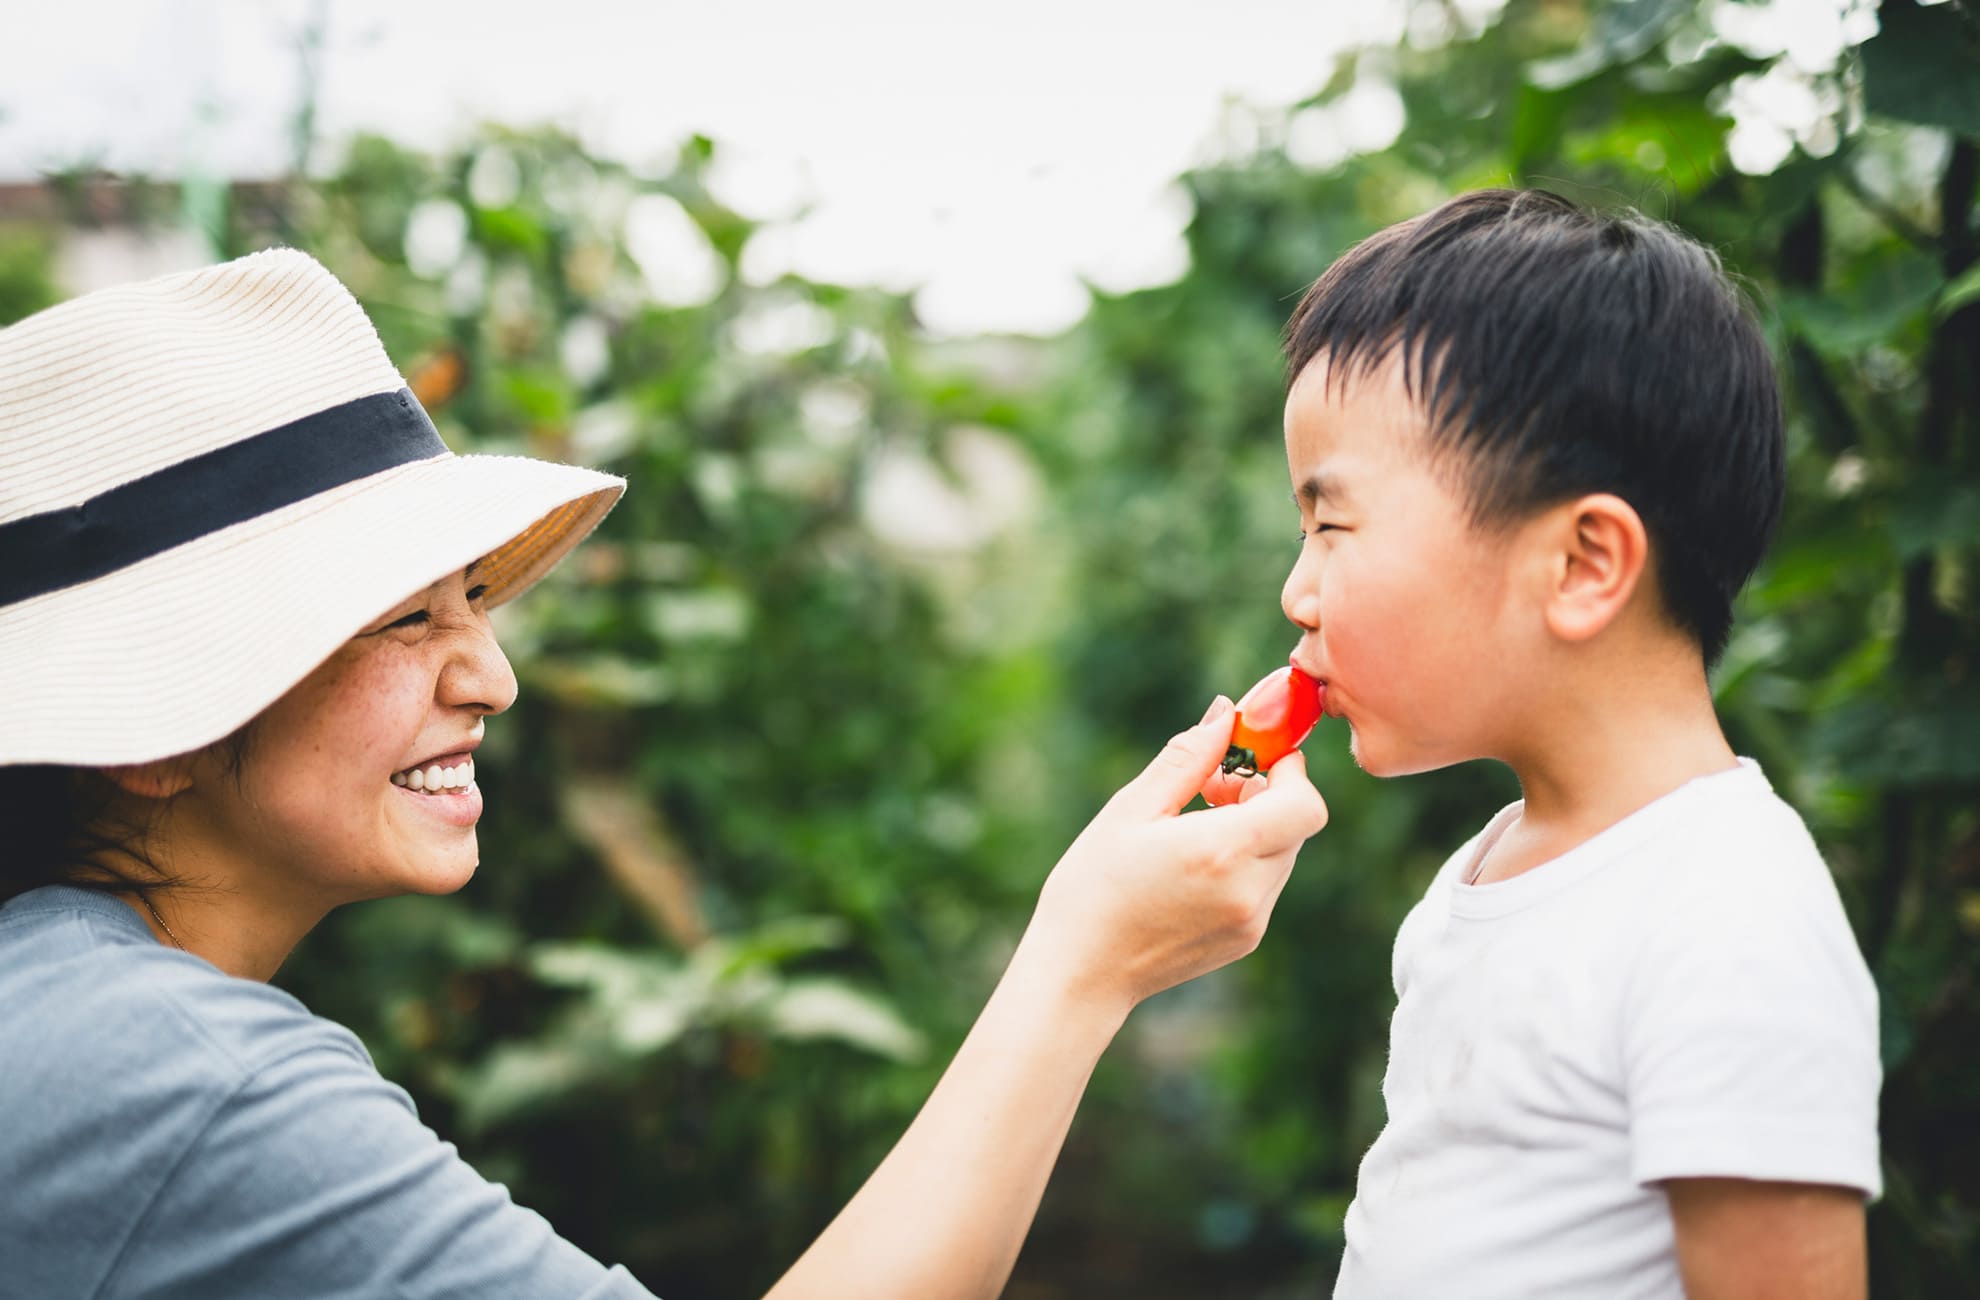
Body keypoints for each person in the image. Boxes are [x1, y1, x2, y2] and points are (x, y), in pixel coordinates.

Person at [0, 249, 1331, 1299]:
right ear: (156, 731)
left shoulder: (62, 1005)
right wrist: (1081, 962)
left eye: (473, 600)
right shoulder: (172, 1081)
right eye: (405, 618)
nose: (491, 677)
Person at [1214, 187, 1881, 1297]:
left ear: (1581, 565)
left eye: (1332, 525)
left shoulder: (1729, 917)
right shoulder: (1486, 873)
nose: (1298, 592)